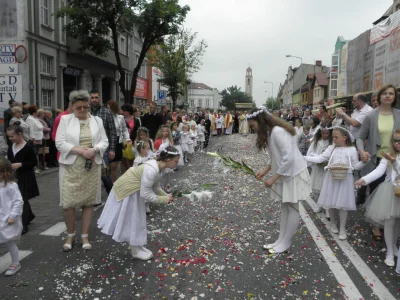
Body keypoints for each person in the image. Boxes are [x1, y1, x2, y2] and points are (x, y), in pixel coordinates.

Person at [97, 146, 179, 260]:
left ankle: (138, 245)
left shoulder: (158, 168)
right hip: (128, 191)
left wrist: (166, 195)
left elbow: (155, 186)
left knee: (138, 218)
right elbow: (146, 194)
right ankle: (135, 250)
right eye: (176, 161)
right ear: (168, 160)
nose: (177, 163)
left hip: (134, 191)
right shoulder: (152, 170)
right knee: (133, 219)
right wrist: (164, 200)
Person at [248, 106, 311, 254]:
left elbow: (288, 159)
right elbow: (275, 157)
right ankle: (280, 240)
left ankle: (286, 242)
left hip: (293, 173)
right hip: (285, 173)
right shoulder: (271, 133)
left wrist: (273, 179)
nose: (253, 129)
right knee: (285, 207)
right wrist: (264, 172)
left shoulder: (278, 132)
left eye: (253, 125)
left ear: (260, 121)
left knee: (292, 207)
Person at [56, 90, 109, 251]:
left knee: (88, 202)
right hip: (71, 166)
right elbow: (59, 142)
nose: (82, 110)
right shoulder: (65, 120)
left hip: (91, 166)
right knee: (68, 203)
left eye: (85, 107)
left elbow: (104, 141)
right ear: (72, 106)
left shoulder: (97, 120)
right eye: (79, 107)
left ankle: (84, 235)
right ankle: (70, 234)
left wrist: (94, 150)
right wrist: (81, 151)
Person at [304, 126, 366, 240]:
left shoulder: (352, 150)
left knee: (343, 205)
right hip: (331, 178)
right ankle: (333, 223)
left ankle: (342, 228)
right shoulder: (332, 148)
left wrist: (363, 162)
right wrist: (304, 158)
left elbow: (355, 166)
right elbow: (320, 158)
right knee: (331, 202)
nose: (334, 139)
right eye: (333, 137)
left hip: (345, 179)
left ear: (344, 138)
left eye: (336, 137)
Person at [357, 84, 400, 239]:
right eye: (385, 93)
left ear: (395, 97)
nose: (388, 96)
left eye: (391, 93)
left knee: (393, 191)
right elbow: (360, 137)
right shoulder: (371, 116)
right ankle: (376, 224)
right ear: (380, 96)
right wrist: (362, 151)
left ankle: (391, 223)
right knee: (377, 191)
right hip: (377, 158)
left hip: (395, 158)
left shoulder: (398, 114)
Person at [355, 129, 400, 267]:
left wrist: (395, 162)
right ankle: (390, 252)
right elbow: (378, 171)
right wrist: (363, 179)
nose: (397, 144)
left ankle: (394, 246)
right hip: (390, 191)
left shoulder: (393, 158)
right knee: (389, 222)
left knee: (398, 223)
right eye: (395, 141)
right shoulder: (389, 155)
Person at [7, 122, 39, 234]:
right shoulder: (11, 147)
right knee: (21, 198)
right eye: (9, 137)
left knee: (22, 199)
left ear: (19, 134)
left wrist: (21, 164)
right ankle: (29, 216)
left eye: (12, 136)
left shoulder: (28, 147)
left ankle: (24, 224)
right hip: (15, 177)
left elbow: (33, 162)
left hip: (26, 176)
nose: (11, 139)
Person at [0, 158, 24, 276]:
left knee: (9, 241)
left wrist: (13, 216)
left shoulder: (11, 186)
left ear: (5, 173)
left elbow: (18, 201)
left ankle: (15, 262)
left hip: (7, 218)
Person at [306, 126, 332, 213]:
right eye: (323, 133)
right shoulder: (316, 142)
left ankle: (327, 209)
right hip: (317, 167)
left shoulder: (332, 143)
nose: (325, 135)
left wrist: (327, 161)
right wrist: (316, 158)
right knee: (317, 187)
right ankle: (319, 204)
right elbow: (310, 153)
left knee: (326, 188)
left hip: (327, 168)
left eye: (327, 133)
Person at [89, 90, 117, 167]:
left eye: (96, 97)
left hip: (103, 149)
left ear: (100, 98)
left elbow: (112, 132)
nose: (94, 99)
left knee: (103, 173)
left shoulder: (107, 112)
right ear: (89, 99)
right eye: (92, 97)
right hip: (88, 147)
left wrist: (112, 150)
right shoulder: (86, 111)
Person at [107, 101, 131, 182]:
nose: (108, 110)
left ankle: (114, 185)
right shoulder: (105, 117)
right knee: (108, 166)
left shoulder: (120, 118)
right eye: (107, 108)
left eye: (110, 108)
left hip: (117, 142)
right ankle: (108, 181)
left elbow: (124, 129)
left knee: (114, 165)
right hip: (107, 142)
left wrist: (127, 139)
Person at [25, 105, 44, 174]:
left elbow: (40, 126)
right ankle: (33, 167)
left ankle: (35, 166)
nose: (37, 113)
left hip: (38, 137)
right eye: (36, 111)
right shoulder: (30, 119)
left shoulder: (34, 118)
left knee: (36, 153)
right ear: (34, 112)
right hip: (34, 138)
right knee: (33, 153)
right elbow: (31, 129)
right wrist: (32, 138)